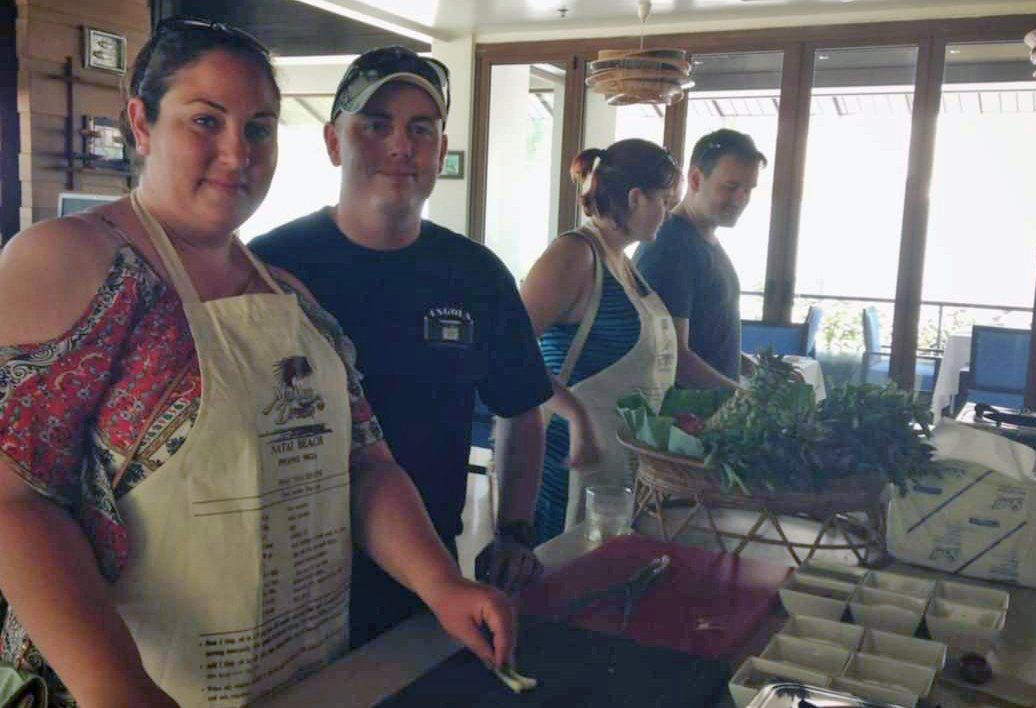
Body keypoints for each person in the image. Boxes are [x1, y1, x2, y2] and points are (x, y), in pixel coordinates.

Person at [0, 20, 513, 708]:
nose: (237, 152)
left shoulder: (291, 297)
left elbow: (366, 468)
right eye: (205, 120)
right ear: (142, 123)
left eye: (260, 128)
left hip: (303, 676)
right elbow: (14, 503)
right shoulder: (67, 260)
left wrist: (442, 584)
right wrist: (113, 684)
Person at [248, 47, 552, 645]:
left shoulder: (476, 274)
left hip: (426, 574)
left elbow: (521, 406)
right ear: (333, 142)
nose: (399, 146)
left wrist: (514, 531)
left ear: (441, 149)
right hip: (286, 573)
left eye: (420, 129)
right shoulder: (269, 267)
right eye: (375, 124)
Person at [520, 139, 682, 544]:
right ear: (635, 198)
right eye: (664, 201)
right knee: (558, 565)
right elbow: (506, 353)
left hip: (621, 463)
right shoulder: (574, 254)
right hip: (567, 456)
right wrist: (576, 416)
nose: (668, 213)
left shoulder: (623, 262)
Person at [633, 128, 767, 385]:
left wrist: (759, 372)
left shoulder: (704, 241)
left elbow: (711, 341)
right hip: (683, 410)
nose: (741, 199)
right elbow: (673, 358)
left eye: (748, 190)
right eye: (731, 187)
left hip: (711, 406)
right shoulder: (671, 246)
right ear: (695, 179)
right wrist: (742, 396)